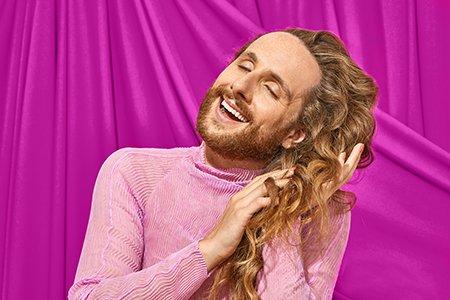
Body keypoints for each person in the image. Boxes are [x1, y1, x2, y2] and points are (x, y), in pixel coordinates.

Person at [68, 28, 377, 300]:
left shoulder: (317, 210)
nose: (240, 86)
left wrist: (283, 217)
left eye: (271, 89)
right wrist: (211, 248)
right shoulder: (133, 172)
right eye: (244, 66)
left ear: (294, 133)